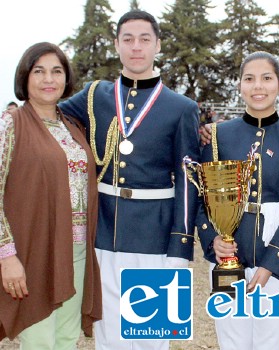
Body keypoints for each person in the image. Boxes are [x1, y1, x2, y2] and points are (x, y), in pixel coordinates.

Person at [59, 10, 200, 350]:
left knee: (150, 335)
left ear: (157, 46)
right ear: (116, 45)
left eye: (144, 39)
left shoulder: (181, 107)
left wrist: (181, 243)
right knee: (107, 332)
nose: (136, 47)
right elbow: (51, 112)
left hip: (155, 233)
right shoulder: (95, 95)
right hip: (103, 228)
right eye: (128, 39)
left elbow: (187, 179)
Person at [196, 51, 279, 350]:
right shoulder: (217, 135)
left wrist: (273, 263)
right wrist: (213, 241)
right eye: (250, 79)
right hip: (228, 251)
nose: (258, 86)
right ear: (239, 85)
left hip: (275, 249)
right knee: (231, 339)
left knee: (271, 340)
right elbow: (202, 197)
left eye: (267, 78)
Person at [0, 42, 101, 347]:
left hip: (76, 251)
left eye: (56, 71)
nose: (49, 79)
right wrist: (7, 257)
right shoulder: (11, 125)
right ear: (25, 77)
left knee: (67, 338)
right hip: (34, 252)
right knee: (40, 341)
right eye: (39, 71)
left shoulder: (73, 127)